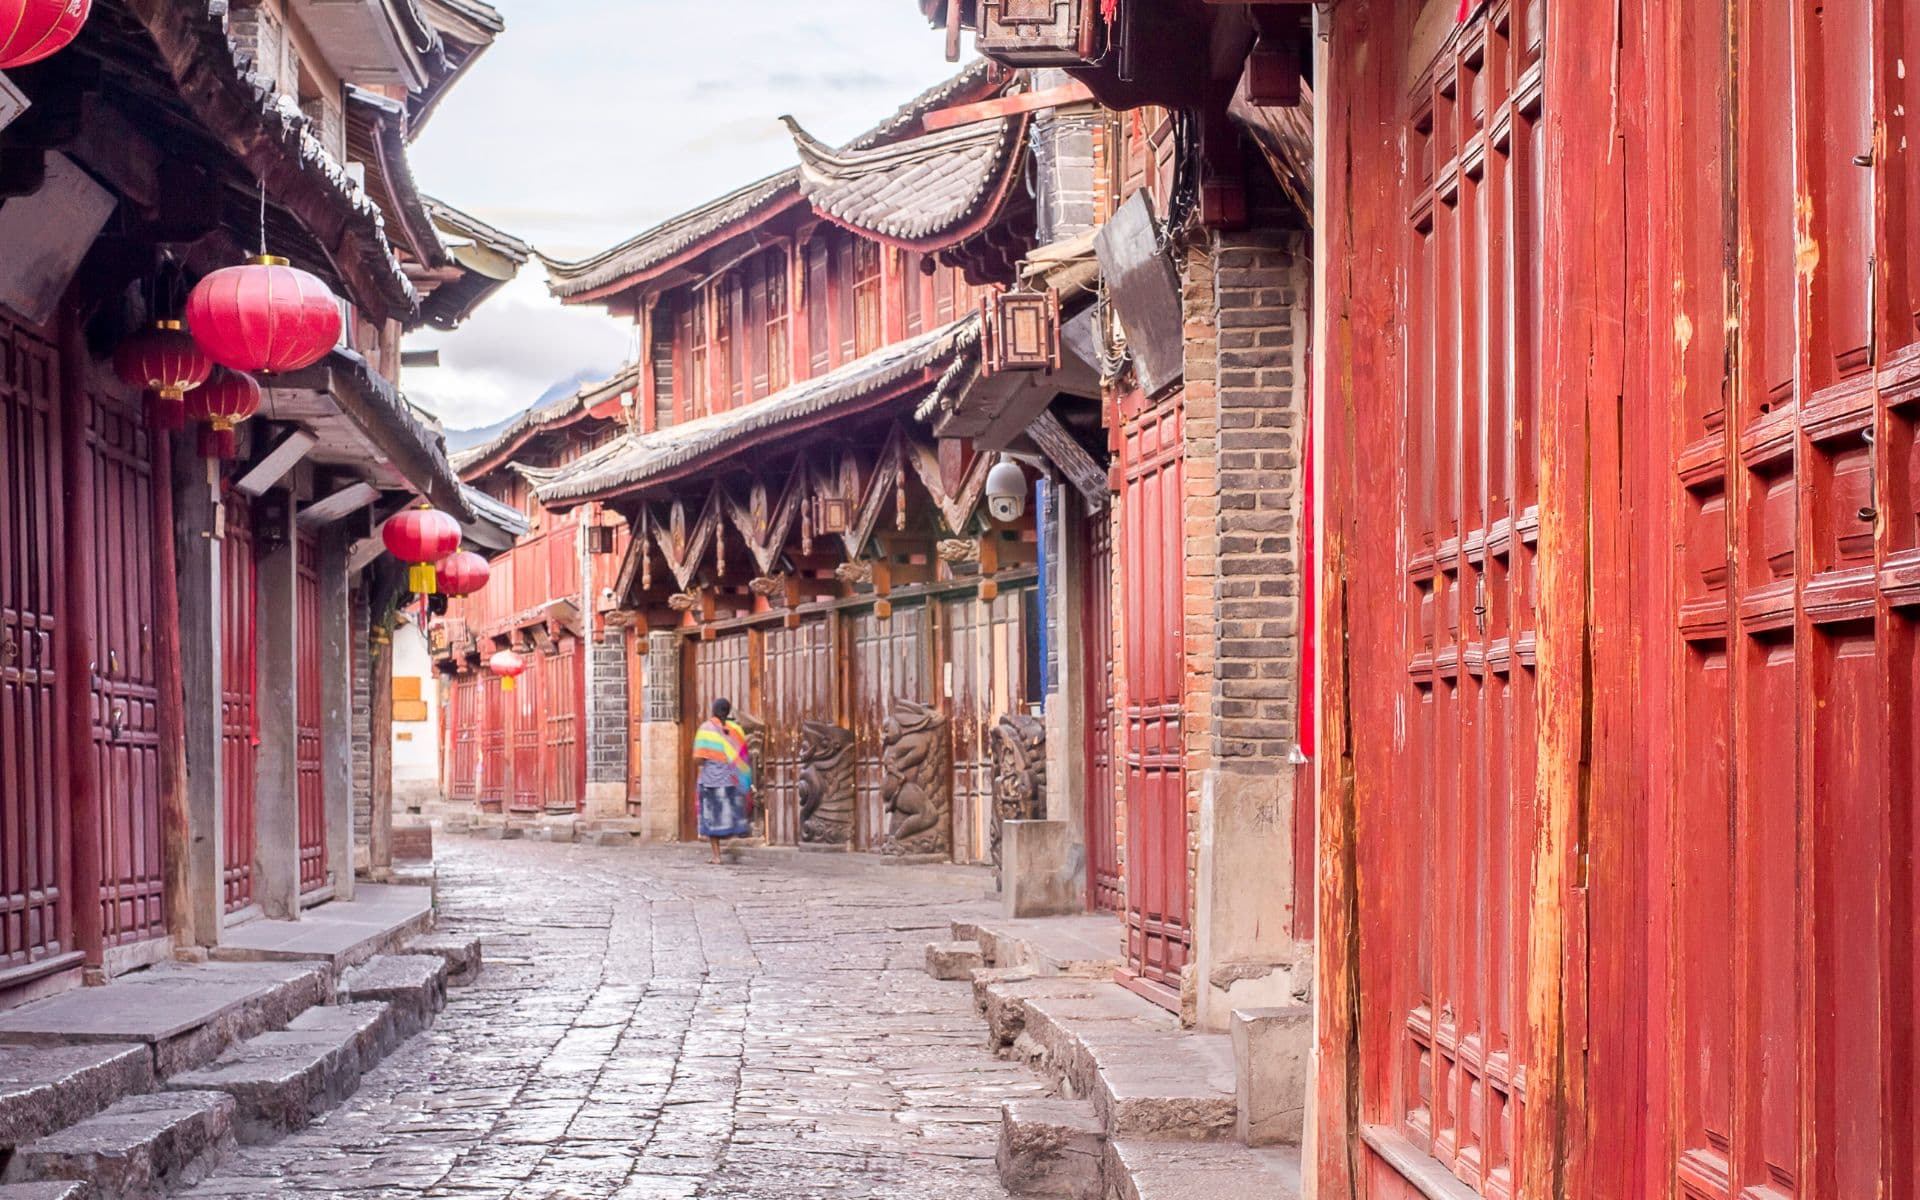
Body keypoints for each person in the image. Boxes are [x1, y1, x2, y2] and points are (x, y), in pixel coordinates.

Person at [692, 697, 753, 863]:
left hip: (712, 781)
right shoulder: (735, 730)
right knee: (731, 816)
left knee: (712, 819)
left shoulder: (706, 729)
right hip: (732, 780)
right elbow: (743, 755)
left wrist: (711, 758)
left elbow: (698, 757)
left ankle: (716, 856)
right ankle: (733, 841)